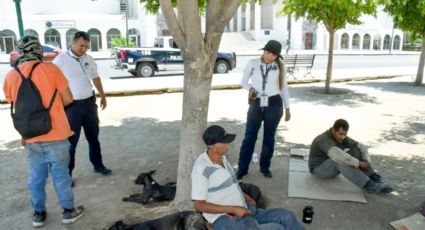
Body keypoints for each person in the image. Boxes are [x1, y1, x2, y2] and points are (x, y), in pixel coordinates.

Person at [3, 36, 85, 227]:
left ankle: (38, 214)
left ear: (20, 52)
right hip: (56, 133)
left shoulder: (11, 76)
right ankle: (68, 211)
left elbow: (12, 101)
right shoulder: (51, 69)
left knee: (36, 177)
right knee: (61, 175)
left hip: (30, 137)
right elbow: (68, 99)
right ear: (38, 51)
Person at [192, 125, 304, 230]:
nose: (229, 144)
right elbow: (199, 206)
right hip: (225, 218)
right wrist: (234, 209)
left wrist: (247, 198)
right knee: (276, 228)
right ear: (214, 147)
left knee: (287, 217)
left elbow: (232, 184)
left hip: (244, 209)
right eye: (225, 142)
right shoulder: (202, 169)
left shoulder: (223, 158)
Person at [53, 31, 111, 180]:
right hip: (72, 107)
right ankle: (67, 174)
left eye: (86, 46)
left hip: (89, 105)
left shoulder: (89, 59)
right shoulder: (60, 61)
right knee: (71, 142)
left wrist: (103, 96)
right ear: (72, 43)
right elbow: (53, 84)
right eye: (81, 46)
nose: (84, 49)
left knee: (93, 137)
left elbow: (96, 77)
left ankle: (98, 165)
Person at [236, 40, 290, 179]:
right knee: (250, 136)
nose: (268, 56)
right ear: (263, 51)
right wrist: (251, 88)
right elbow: (243, 82)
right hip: (256, 101)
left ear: (276, 56)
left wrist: (287, 107)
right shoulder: (253, 63)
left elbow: (284, 88)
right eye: (266, 52)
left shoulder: (280, 66)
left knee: (269, 137)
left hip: (274, 102)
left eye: (272, 55)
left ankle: (265, 167)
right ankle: (242, 168)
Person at [308, 119, 393, 194]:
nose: (342, 137)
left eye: (344, 134)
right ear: (333, 130)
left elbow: (360, 146)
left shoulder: (342, 137)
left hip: (331, 167)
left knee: (355, 149)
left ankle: (372, 175)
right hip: (318, 170)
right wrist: (359, 164)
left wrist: (367, 162)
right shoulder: (323, 139)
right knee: (340, 159)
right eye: (340, 134)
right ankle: (369, 186)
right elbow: (338, 156)